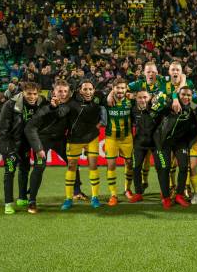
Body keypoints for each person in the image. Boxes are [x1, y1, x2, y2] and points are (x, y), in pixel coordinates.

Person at [24, 80, 84, 213]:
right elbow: (33, 125)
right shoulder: (44, 105)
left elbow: (62, 113)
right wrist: (38, 148)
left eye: (65, 91)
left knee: (73, 161)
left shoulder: (69, 105)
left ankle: (77, 191)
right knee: (39, 167)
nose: (63, 94)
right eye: (60, 91)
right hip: (43, 139)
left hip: (60, 139)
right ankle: (32, 201)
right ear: (53, 92)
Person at [0, 82, 44, 215]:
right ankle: (8, 203)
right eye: (29, 94)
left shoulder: (40, 102)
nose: (32, 96)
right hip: (9, 144)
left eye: (35, 94)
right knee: (10, 171)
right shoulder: (10, 105)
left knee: (25, 169)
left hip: (25, 144)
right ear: (23, 92)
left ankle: (22, 197)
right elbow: (0, 130)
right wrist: (9, 150)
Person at [152, 86, 197, 209]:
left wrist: (190, 142)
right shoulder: (169, 103)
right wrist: (171, 98)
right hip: (163, 141)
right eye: (183, 94)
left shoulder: (192, 108)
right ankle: (166, 197)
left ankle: (179, 195)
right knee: (165, 168)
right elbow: (155, 113)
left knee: (183, 167)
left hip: (180, 142)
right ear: (178, 95)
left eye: (189, 95)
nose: (186, 97)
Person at [61, 79, 104, 210]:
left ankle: (95, 197)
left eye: (90, 89)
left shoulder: (98, 98)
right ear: (80, 90)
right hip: (74, 139)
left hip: (92, 138)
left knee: (93, 166)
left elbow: (108, 100)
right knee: (72, 167)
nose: (88, 92)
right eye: (85, 89)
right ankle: (68, 199)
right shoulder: (71, 102)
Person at [104, 78, 136, 206]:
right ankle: (113, 194)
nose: (120, 90)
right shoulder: (107, 101)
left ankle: (127, 189)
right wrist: (109, 94)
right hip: (111, 138)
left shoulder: (131, 101)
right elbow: (97, 94)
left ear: (126, 88)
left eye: (123, 88)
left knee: (129, 164)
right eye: (118, 88)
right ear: (113, 88)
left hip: (127, 138)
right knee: (111, 165)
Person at [131, 90, 159, 198]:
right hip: (139, 143)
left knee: (160, 167)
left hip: (155, 143)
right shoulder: (133, 110)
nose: (142, 100)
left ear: (150, 98)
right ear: (136, 98)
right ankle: (138, 193)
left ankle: (164, 193)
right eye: (140, 97)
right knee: (136, 167)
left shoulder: (156, 108)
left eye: (145, 97)